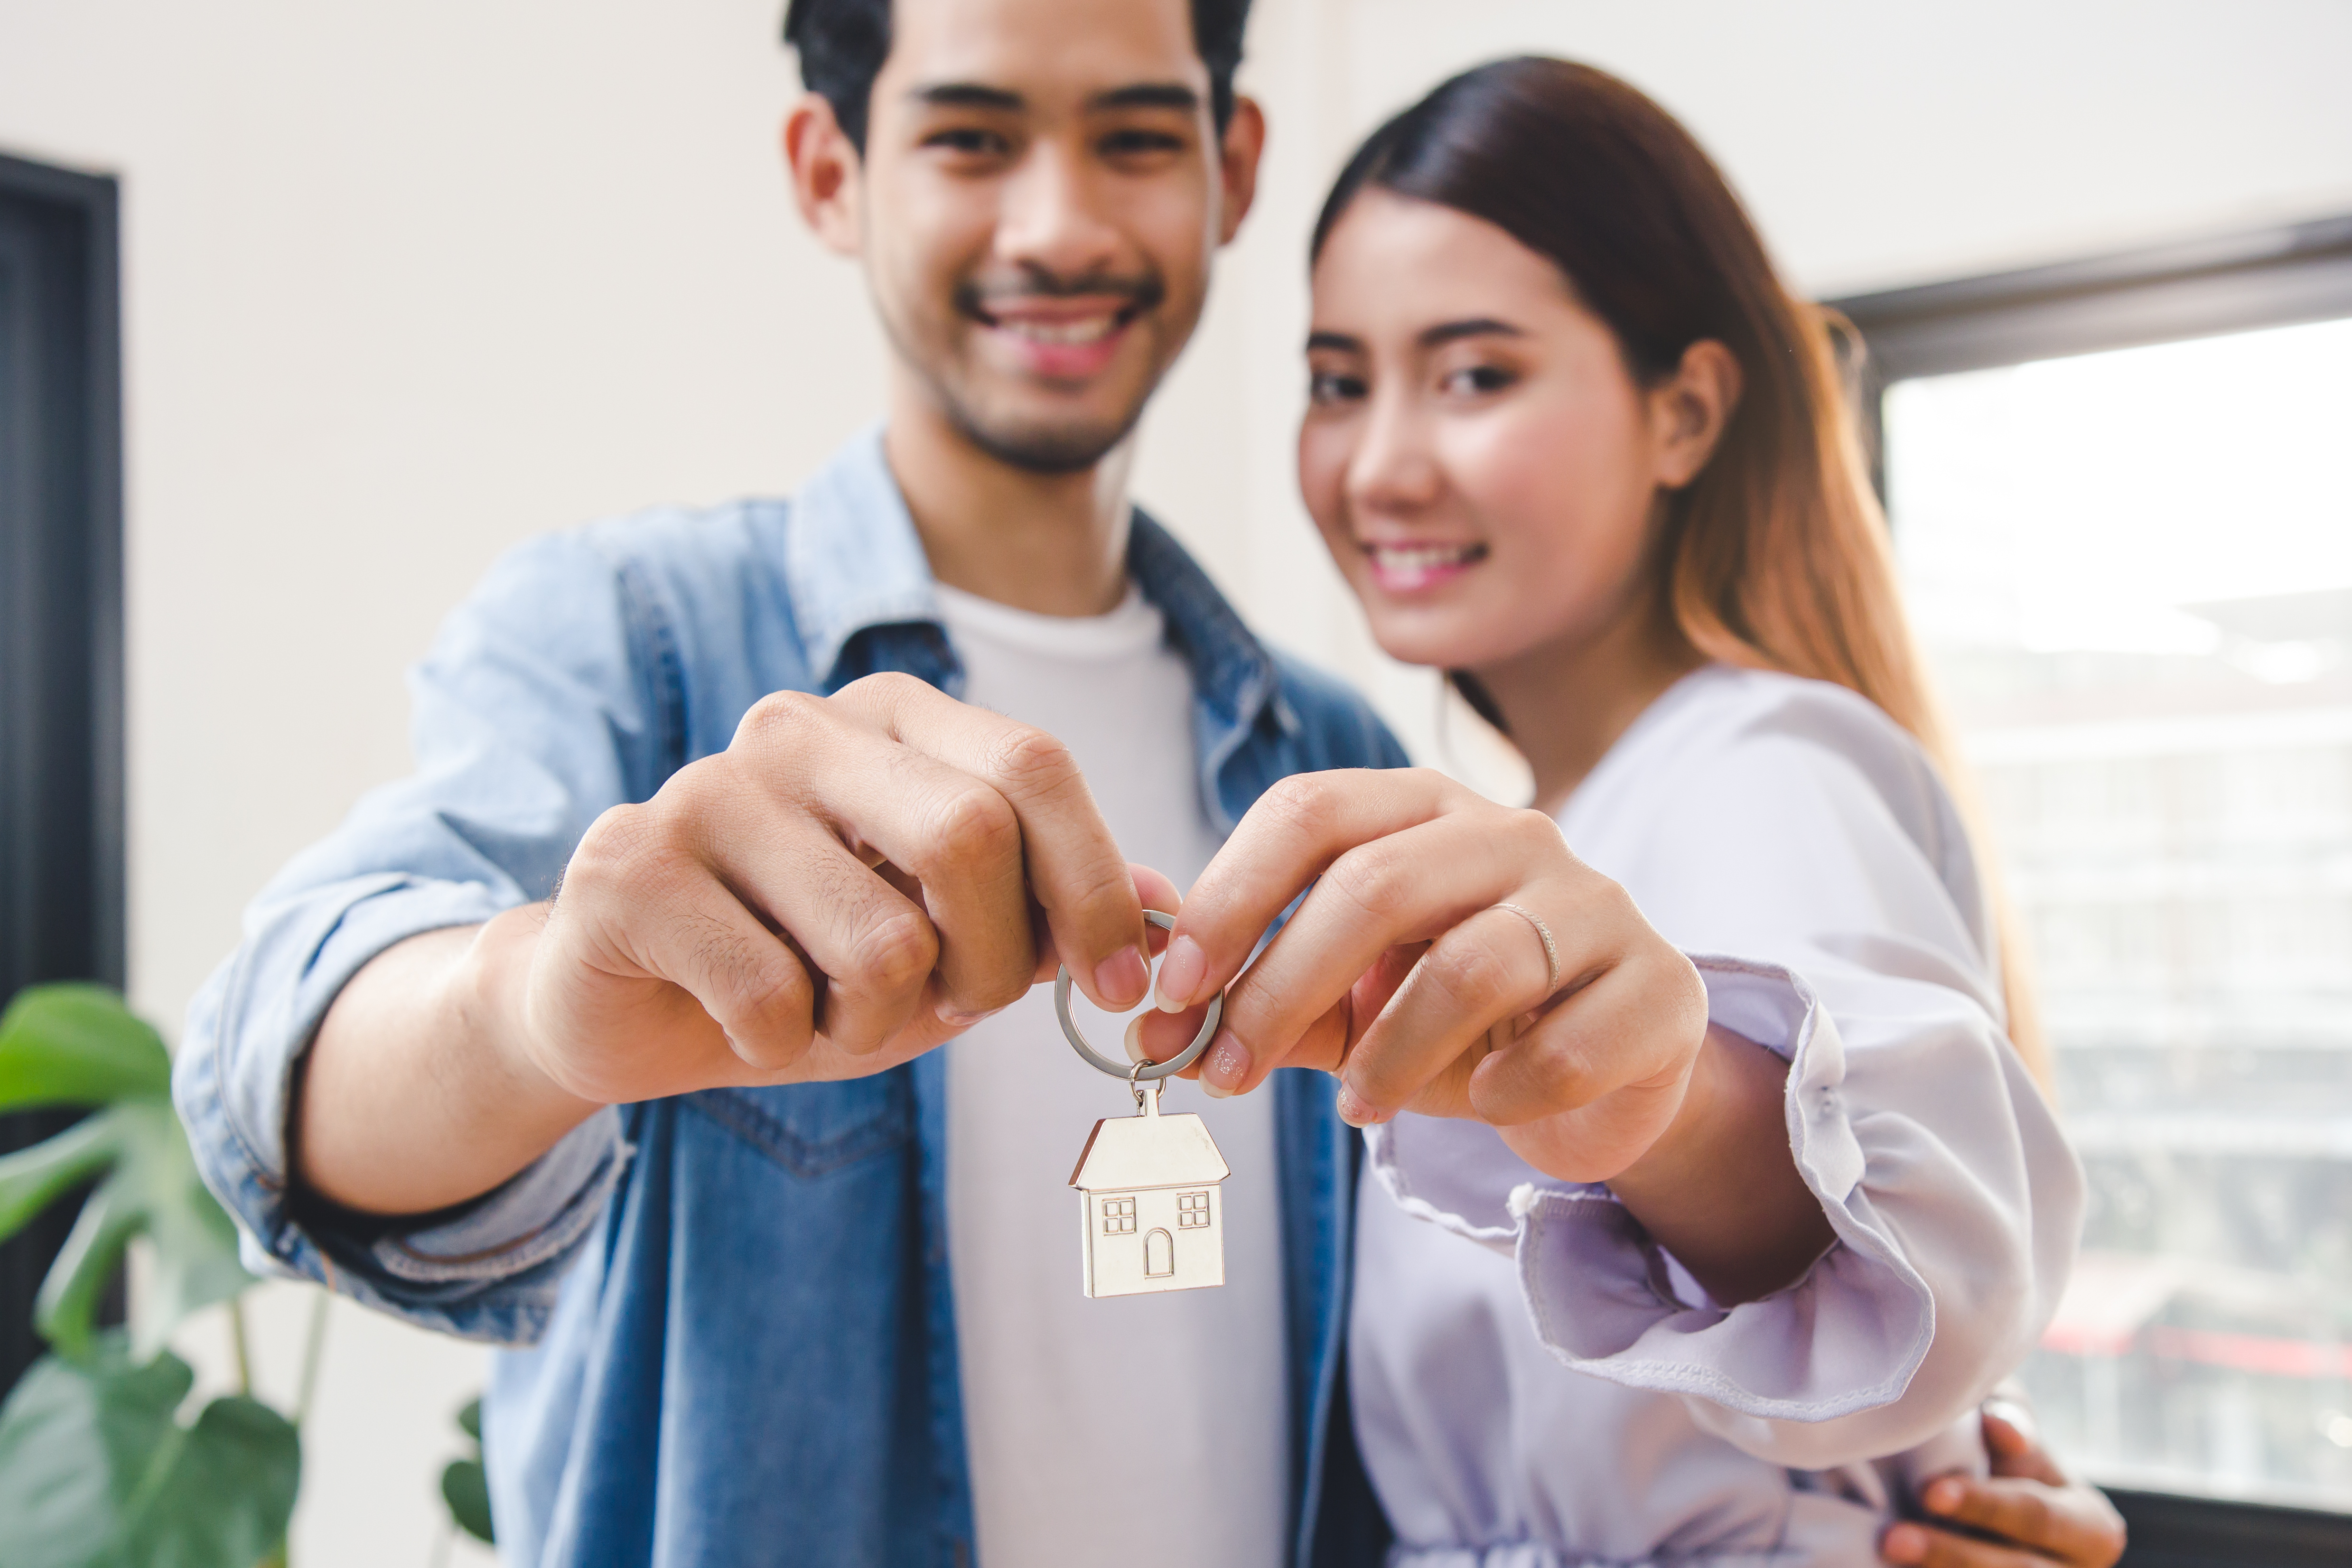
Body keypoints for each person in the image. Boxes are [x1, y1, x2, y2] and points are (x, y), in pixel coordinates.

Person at [169, 0, 2122, 1560]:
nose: (1059, 226)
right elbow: (287, 1048)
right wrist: (535, 1003)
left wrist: (1879, 1476)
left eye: (1129, 134)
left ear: (1229, 163)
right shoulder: (643, 637)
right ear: (828, 169)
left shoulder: (1343, 761)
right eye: (968, 135)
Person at [1136, 56, 2127, 1568]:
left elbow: (1894, 1250)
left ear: (1683, 415)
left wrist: (1658, 1104)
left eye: (1475, 374)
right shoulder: (1558, 813)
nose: (1383, 464)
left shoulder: (1759, 763)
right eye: (1340, 382)